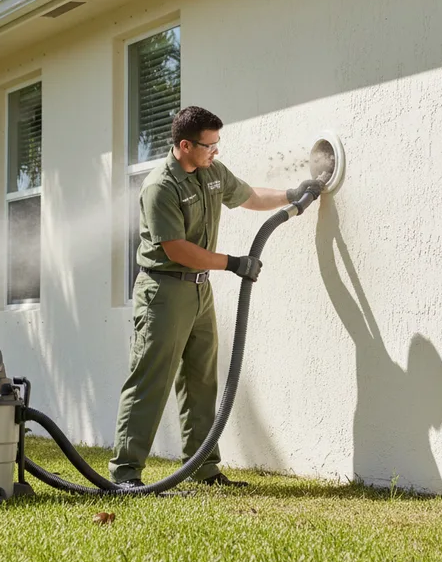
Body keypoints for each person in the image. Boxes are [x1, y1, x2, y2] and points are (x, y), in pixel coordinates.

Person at [108, 105, 323, 487]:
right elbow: (176, 249)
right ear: (185, 145)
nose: (216, 151)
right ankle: (126, 474)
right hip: (163, 291)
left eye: (217, 144)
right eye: (210, 145)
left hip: (198, 290)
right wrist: (233, 262)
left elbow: (248, 196)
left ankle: (202, 469)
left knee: (201, 380)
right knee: (150, 380)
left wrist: (291, 195)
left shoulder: (211, 172)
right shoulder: (161, 186)